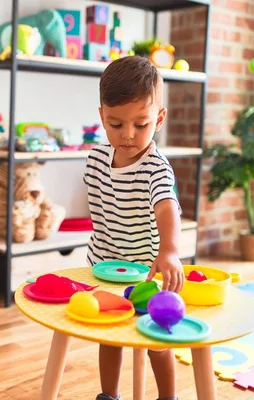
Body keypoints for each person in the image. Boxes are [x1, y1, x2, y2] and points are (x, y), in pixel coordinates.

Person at [82, 55, 185, 400]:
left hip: (147, 272)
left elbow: (166, 206)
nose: (127, 135)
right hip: (105, 266)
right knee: (109, 334)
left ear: (158, 119)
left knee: (158, 337)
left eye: (140, 125)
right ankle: (108, 396)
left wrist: (169, 250)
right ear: (102, 117)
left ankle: (167, 397)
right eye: (115, 124)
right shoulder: (96, 159)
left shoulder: (156, 167)